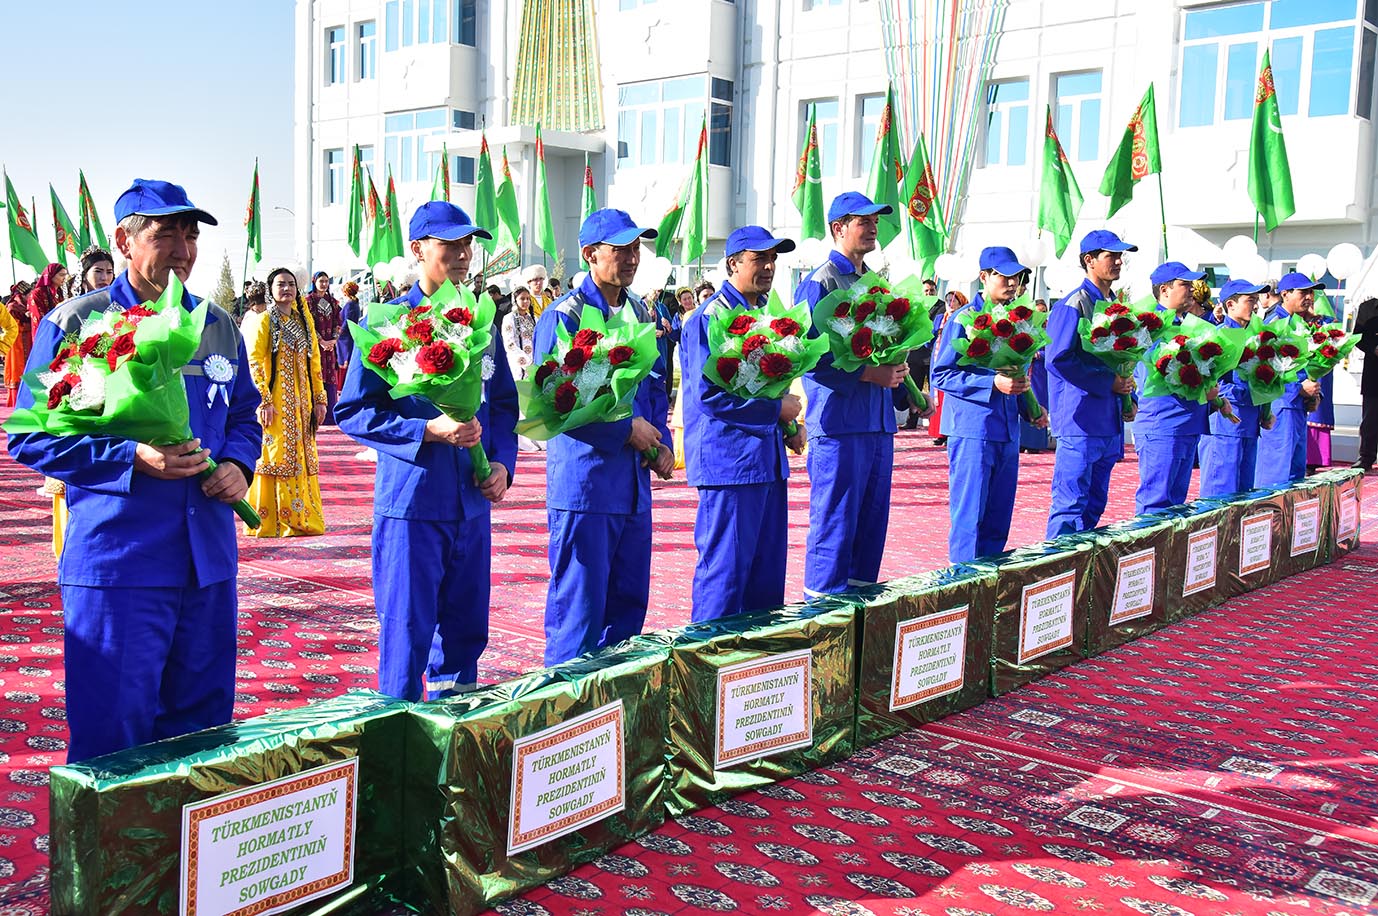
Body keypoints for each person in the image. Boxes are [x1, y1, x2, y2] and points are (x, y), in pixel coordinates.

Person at [6, 178, 261, 761]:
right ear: (124, 240)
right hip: (120, 562)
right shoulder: (77, 323)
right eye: (164, 233)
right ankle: (110, 857)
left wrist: (239, 464)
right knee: (111, 738)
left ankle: (180, 857)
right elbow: (30, 434)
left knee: (201, 739)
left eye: (190, 235)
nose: (182, 249)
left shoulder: (217, 324)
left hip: (208, 563)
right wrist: (131, 459)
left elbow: (246, 415)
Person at [336, 201, 517, 701]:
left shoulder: (479, 322)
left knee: (465, 632)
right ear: (418, 249)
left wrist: (502, 463)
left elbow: (502, 403)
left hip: (471, 503)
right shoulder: (389, 322)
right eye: (450, 244)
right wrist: (427, 431)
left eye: (468, 244)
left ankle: (453, 742)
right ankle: (400, 751)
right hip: (412, 504)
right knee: (408, 635)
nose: (463, 255)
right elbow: (353, 411)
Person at [533, 208, 673, 664]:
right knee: (580, 615)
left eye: (637, 248)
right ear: (591, 255)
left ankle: (615, 722)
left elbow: (651, 387)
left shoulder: (640, 311)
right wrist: (624, 430)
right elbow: (556, 405)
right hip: (587, 486)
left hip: (633, 485)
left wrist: (660, 441)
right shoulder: (564, 316)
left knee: (628, 616)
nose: (633, 257)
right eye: (621, 249)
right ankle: (566, 724)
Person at [794, 191, 919, 597]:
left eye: (874, 220)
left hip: (877, 424)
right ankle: (823, 623)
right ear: (837, 228)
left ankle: (861, 619)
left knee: (869, 530)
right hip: (840, 424)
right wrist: (868, 373)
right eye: (861, 221)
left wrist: (898, 377)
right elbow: (808, 356)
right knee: (835, 527)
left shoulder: (875, 283)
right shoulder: (819, 282)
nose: (871, 227)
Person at [681, 226, 805, 621]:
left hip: (765, 463)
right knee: (725, 577)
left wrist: (787, 427)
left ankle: (756, 676)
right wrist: (776, 412)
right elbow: (709, 396)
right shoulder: (709, 318)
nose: (769, 266)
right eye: (759, 258)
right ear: (733, 263)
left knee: (766, 583)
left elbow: (768, 386)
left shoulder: (768, 316)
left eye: (773, 259)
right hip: (730, 465)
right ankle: (707, 669)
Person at [931, 247, 1047, 563]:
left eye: (1017, 277)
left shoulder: (1018, 320)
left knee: (998, 520)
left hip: (1007, 430)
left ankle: (989, 590)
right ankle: (963, 589)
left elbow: (1016, 370)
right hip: (973, 430)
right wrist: (990, 383)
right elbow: (941, 375)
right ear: (984, 277)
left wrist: (1030, 408)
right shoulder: (964, 318)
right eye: (1003, 276)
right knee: (970, 519)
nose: (1012, 283)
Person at [1045, 229, 1139, 537]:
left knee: (1095, 505)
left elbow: (1123, 359)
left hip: (1107, 421)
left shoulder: (1117, 307)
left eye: (1119, 256)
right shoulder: (1073, 303)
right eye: (1111, 256)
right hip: (1080, 420)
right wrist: (1107, 383)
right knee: (1070, 506)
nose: (1118, 262)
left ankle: (1080, 573)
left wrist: (1127, 397)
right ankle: (1057, 575)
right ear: (1089, 260)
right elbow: (1057, 359)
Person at [1131, 261, 1221, 515]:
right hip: (1163, 422)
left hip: (1186, 422)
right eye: (1184, 284)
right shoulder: (1149, 325)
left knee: (1176, 506)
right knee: (1156, 504)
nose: (1192, 289)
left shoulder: (1188, 325)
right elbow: (1157, 370)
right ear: (1165, 290)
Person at [244, 267, 327, 537]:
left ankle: (301, 516)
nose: (287, 289)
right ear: (271, 289)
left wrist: (319, 399)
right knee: (276, 455)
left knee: (301, 456)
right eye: (280, 284)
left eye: (291, 284)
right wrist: (264, 401)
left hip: (302, 404)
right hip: (276, 402)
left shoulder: (304, 321)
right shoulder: (265, 320)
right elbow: (254, 361)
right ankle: (271, 521)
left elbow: (314, 361)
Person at [45, 248, 118, 556]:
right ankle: (70, 546)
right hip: (75, 398)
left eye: (109, 271)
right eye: (98, 271)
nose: (104, 277)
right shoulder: (70, 313)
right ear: (84, 276)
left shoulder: (121, 310)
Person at [1200, 279, 1270, 497]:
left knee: (1244, 493)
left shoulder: (1257, 336)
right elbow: (1210, 382)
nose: (1256, 305)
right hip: (1225, 422)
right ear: (1230, 305)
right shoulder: (1217, 337)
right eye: (1250, 300)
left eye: (1256, 300)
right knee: (1220, 490)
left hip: (1250, 421)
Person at [1255, 273, 1323, 487]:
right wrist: (1298, 388)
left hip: (1298, 407)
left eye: (1311, 292)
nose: (1309, 297)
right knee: (1275, 474)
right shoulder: (1274, 323)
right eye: (1303, 292)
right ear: (1285, 294)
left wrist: (1314, 394)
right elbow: (1263, 370)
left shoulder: (1300, 324)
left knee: (1295, 475)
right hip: (1280, 405)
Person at [928, 290, 967, 444]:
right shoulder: (939, 318)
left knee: (949, 397)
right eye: (948, 300)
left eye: (954, 300)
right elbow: (927, 341)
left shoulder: (963, 317)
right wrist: (935, 334)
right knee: (936, 395)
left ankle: (949, 432)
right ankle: (938, 433)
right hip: (937, 358)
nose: (950, 304)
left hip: (954, 362)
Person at [306, 271, 342, 425]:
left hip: (330, 348)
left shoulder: (333, 302)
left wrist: (334, 339)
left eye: (326, 281)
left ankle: (330, 416)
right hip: (316, 347)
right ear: (314, 282)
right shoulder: (308, 301)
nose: (324, 284)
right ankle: (315, 414)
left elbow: (338, 322)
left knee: (331, 376)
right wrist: (320, 341)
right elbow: (308, 324)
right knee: (316, 375)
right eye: (321, 281)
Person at [1020, 297, 1053, 452]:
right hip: (1027, 371)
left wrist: (1039, 355)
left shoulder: (1050, 329)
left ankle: (1035, 444)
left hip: (1041, 373)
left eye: (1044, 312)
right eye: (1038, 312)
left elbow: (1054, 352)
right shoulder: (1027, 329)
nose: (1041, 315)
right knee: (1025, 401)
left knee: (1039, 403)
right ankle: (1023, 441)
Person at [1352, 297, 1378, 472]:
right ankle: (1366, 457)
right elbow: (1357, 337)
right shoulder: (1368, 308)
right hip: (1374, 374)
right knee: (1370, 419)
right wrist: (1373, 348)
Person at [4, 282, 34, 407]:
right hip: (16, 344)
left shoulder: (26, 306)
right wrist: (30, 322)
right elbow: (13, 327)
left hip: (27, 340)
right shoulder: (12, 307)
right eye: (29, 295)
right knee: (17, 369)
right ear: (21, 295)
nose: (30, 297)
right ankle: (17, 400)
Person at [336, 280, 362, 386]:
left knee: (345, 361)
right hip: (347, 336)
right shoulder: (354, 303)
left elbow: (347, 321)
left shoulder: (350, 304)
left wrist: (339, 331)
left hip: (345, 338)